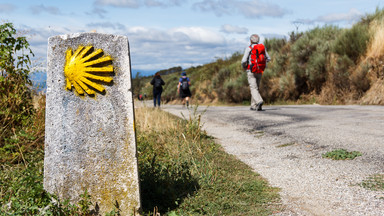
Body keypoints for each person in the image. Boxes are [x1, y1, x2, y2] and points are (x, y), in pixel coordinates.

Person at [241, 34, 271, 111]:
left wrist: (244, 66)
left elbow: (244, 60)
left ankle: (259, 101)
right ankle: (253, 106)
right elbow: (268, 58)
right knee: (256, 88)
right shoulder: (262, 48)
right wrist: (261, 64)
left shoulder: (249, 48)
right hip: (260, 70)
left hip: (251, 70)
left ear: (251, 40)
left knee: (253, 88)